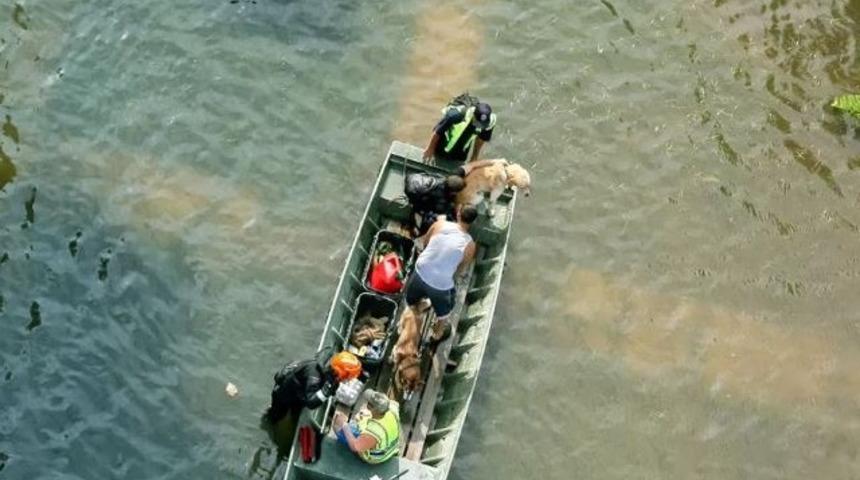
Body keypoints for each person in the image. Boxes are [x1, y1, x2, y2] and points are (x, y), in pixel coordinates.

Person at [405, 205, 477, 340]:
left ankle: (409, 315)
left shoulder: (439, 224)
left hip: (421, 270)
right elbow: (460, 269)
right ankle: (437, 334)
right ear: (472, 222)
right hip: (440, 284)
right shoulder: (470, 245)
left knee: (411, 300)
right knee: (445, 311)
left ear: (458, 214)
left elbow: (425, 243)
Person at [264, 349, 362, 424]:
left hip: (300, 391)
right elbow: (311, 402)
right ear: (339, 373)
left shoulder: (330, 367)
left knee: (296, 414)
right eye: (348, 376)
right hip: (285, 394)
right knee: (276, 416)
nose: (348, 380)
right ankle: (269, 417)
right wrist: (326, 391)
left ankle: (293, 418)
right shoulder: (314, 374)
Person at [405, 160, 500, 236]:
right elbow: (441, 218)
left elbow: (472, 165)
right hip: (422, 201)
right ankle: (417, 230)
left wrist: (494, 161)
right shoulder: (442, 202)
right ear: (453, 193)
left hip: (417, 180)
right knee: (433, 220)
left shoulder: (453, 175)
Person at [332, 389, 401, 464]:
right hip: (391, 447)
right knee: (359, 420)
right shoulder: (393, 408)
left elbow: (355, 447)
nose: (367, 404)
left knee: (339, 427)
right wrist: (368, 414)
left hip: (377, 457)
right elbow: (395, 403)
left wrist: (344, 424)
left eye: (369, 405)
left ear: (374, 410)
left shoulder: (374, 432)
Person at [423, 101, 496, 163]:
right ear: (473, 115)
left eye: (481, 125)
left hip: (462, 149)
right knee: (438, 158)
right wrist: (430, 149)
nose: (479, 126)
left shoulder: (489, 123)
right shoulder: (456, 115)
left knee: (458, 164)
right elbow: (438, 131)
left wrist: (474, 157)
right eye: (477, 123)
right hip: (443, 142)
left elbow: (481, 139)